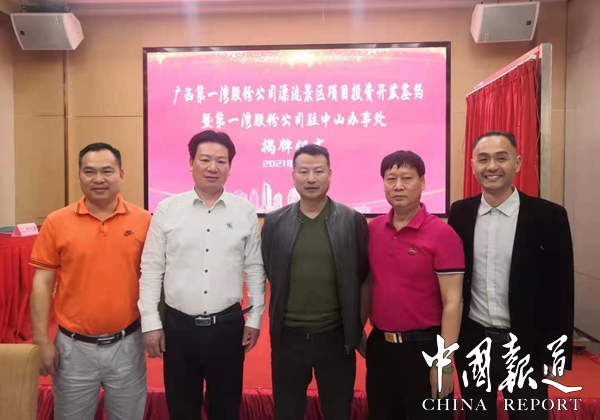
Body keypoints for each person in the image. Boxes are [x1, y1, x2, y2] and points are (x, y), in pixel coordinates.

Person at [138, 130, 266, 420]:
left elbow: (254, 268)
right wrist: (150, 322)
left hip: (227, 327)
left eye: (221, 161)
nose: (212, 167)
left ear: (230, 167)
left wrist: (255, 317)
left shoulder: (244, 211)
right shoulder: (167, 210)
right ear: (191, 163)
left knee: (226, 409)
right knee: (182, 409)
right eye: (205, 159)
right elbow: (152, 268)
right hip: (178, 328)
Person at [447, 131, 575, 420]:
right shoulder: (460, 213)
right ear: (473, 166)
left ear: (517, 163)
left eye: (501, 158)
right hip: (475, 345)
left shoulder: (549, 216)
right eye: (483, 159)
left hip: (527, 346)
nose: (492, 166)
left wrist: (557, 352)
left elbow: (562, 289)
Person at [29, 143, 151, 420]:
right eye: (89, 172)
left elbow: (156, 279)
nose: (98, 179)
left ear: (121, 174)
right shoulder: (56, 222)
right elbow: (42, 284)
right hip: (72, 348)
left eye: (107, 171)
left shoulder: (144, 220)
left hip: (127, 344)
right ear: (79, 175)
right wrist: (41, 341)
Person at [261, 144, 369, 420]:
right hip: (288, 338)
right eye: (304, 171)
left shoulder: (352, 221)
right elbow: (271, 269)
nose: (311, 178)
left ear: (330, 174)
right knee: (287, 412)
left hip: (336, 337)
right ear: (293, 176)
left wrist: (356, 327)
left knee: (338, 411)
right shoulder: (274, 222)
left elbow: (361, 275)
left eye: (318, 171)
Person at [362, 150, 465, 420]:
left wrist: (444, 363)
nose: (398, 186)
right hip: (381, 347)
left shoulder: (442, 234)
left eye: (407, 178)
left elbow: (453, 302)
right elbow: (368, 284)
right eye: (391, 179)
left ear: (423, 182)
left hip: (426, 349)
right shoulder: (372, 230)